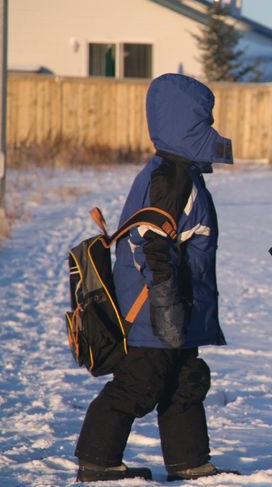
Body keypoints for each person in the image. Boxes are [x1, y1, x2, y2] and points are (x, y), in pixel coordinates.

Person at [74, 74, 238, 482]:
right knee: (139, 382)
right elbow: (154, 244)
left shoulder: (175, 169)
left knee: (185, 379)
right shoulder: (171, 178)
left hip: (175, 303)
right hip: (156, 305)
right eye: (205, 118)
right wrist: (166, 307)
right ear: (187, 121)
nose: (211, 126)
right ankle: (97, 461)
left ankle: (189, 461)